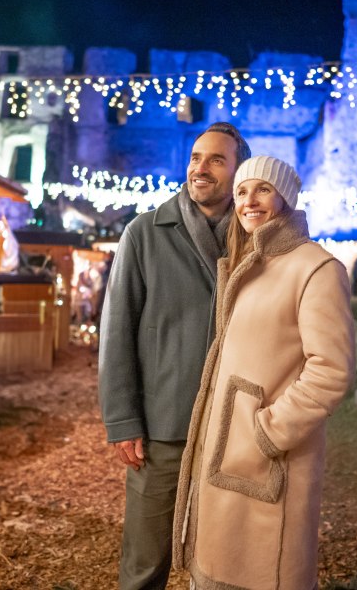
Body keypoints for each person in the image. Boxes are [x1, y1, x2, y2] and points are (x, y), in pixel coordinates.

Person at [172, 156, 355, 589]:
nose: (248, 201)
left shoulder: (317, 268)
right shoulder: (247, 262)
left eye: (262, 190)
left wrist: (267, 432)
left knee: (264, 572)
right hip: (225, 450)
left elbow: (331, 369)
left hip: (269, 456)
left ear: (285, 198)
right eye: (241, 191)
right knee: (216, 569)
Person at [98, 122, 251, 590]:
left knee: (222, 562)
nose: (200, 169)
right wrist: (123, 419)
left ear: (238, 172)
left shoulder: (253, 239)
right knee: (145, 561)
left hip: (232, 426)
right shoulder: (145, 232)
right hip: (163, 423)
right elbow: (116, 329)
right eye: (195, 158)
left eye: (216, 160)